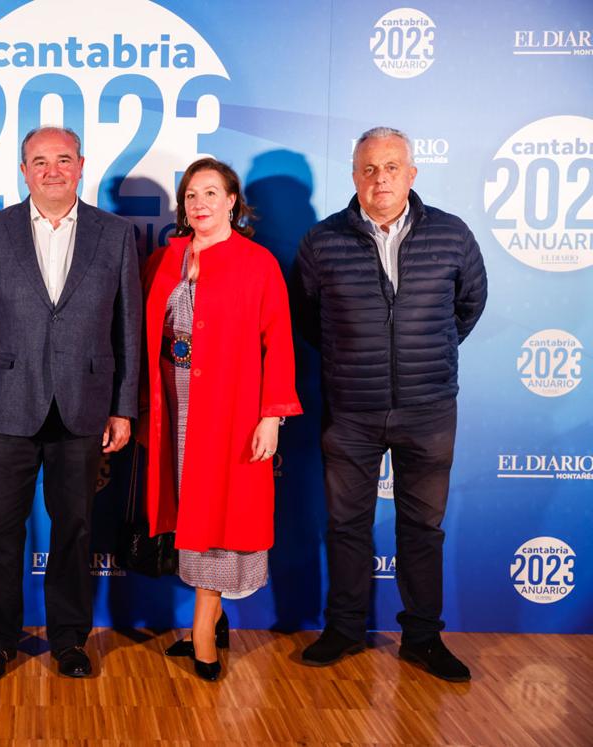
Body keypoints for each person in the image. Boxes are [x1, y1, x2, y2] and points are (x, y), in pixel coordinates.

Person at [291, 127, 487, 682]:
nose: (381, 179)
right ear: (354, 175)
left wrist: (422, 357)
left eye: (392, 167)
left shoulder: (451, 235)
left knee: (422, 527)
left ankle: (422, 638)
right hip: (351, 410)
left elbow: (468, 306)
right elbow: (309, 319)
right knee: (347, 523)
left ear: (412, 173)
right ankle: (346, 630)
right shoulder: (322, 241)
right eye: (369, 168)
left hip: (428, 410)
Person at [0, 126, 141, 680]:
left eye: (64, 159)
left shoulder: (116, 234)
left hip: (85, 404)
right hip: (7, 404)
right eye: (40, 161)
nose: (53, 170)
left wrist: (123, 406)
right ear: (23, 170)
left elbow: (127, 328)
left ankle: (68, 639)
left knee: (75, 529)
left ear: (82, 165)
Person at [139, 158, 302, 681]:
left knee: (219, 517)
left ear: (233, 200)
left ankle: (203, 631)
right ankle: (213, 618)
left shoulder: (258, 263)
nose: (200, 204)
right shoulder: (165, 260)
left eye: (211, 193)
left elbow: (278, 343)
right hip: (174, 405)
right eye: (190, 195)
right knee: (191, 511)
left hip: (232, 409)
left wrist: (272, 416)